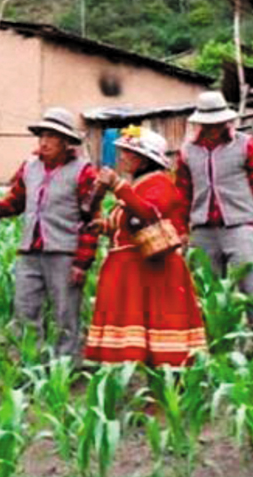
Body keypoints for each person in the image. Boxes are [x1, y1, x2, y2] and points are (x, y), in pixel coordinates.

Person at [85, 127, 207, 366]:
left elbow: (148, 213)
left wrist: (118, 186)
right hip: (132, 270)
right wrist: (106, 225)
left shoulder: (160, 184)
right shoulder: (140, 184)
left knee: (156, 327)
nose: (121, 157)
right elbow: (130, 222)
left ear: (143, 159)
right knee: (139, 329)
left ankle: (165, 391)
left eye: (128, 153)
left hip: (149, 271)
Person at [0, 108, 99, 359]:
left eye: (52, 136)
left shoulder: (83, 172)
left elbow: (92, 221)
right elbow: (16, 202)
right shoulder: (30, 168)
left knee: (65, 314)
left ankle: (65, 369)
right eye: (42, 136)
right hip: (30, 252)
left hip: (64, 253)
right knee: (25, 310)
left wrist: (82, 262)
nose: (44, 142)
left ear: (66, 141)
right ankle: (30, 364)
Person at [176, 91, 253, 323]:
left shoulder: (245, 145)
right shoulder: (188, 152)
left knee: (249, 287)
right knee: (205, 290)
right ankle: (214, 346)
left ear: (225, 121)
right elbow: (182, 193)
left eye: (217, 123)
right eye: (208, 124)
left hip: (240, 225)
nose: (213, 128)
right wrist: (181, 228)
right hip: (202, 229)